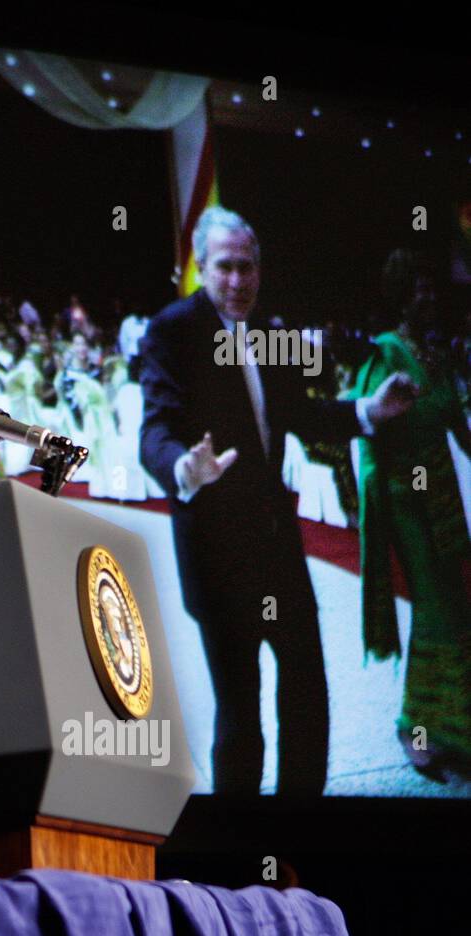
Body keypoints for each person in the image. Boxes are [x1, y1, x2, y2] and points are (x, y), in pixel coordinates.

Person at [138, 206, 417, 795]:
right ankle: (241, 848)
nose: (237, 281)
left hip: (276, 546)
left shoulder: (272, 332)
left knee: (308, 692)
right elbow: (153, 433)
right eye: (224, 268)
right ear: (199, 267)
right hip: (215, 554)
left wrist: (369, 411)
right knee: (241, 714)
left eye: (247, 267)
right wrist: (184, 468)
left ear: (260, 270)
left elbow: (300, 413)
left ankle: (300, 824)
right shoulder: (171, 331)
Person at [353, 250, 471, 779]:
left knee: (452, 609)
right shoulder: (386, 352)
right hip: (406, 502)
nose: (428, 297)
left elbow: (457, 426)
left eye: (432, 289)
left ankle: (444, 725)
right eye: (417, 289)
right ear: (400, 294)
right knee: (435, 610)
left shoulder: (436, 356)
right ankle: (417, 729)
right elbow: (368, 428)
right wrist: (379, 500)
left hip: (444, 499)